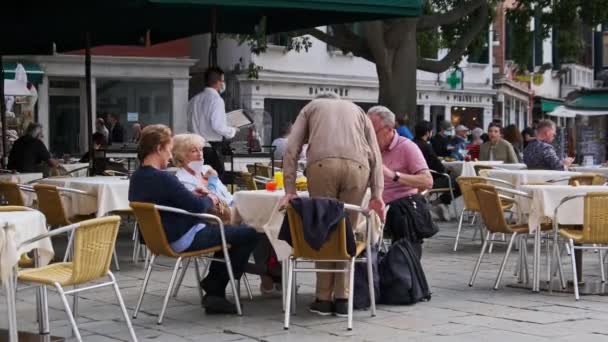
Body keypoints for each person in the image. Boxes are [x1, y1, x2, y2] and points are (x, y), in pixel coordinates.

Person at [129, 124, 258, 314]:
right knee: (249, 234)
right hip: (183, 237)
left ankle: (214, 285)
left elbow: (179, 201)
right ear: (158, 148)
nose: (170, 156)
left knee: (230, 235)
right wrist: (209, 197)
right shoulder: (165, 179)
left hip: (159, 239)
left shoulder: (137, 177)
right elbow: (198, 207)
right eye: (168, 150)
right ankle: (215, 289)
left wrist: (198, 197)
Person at [280, 93, 384, 317]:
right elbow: (375, 153)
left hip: (321, 164)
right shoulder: (358, 110)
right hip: (359, 167)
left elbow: (292, 148)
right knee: (347, 233)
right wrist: (377, 194)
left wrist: (290, 188)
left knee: (324, 228)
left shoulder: (310, 107)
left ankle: (323, 299)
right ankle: (343, 298)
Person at [368, 107, 433, 253]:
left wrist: (393, 175)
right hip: (371, 206)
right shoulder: (367, 148)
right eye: (366, 131)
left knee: (402, 214)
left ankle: (403, 265)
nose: (368, 137)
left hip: (398, 206)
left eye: (372, 132)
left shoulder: (407, 147)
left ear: (389, 129)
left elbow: (427, 181)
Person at [188, 67, 239, 180]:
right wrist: (232, 130)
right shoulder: (216, 100)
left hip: (194, 146)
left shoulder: (194, 100)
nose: (223, 84)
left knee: (198, 180)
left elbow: (189, 123)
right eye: (222, 81)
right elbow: (218, 126)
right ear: (218, 82)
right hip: (211, 148)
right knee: (215, 182)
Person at [413, 120, 461, 221]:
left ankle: (440, 204)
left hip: (413, 178)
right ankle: (437, 203)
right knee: (461, 182)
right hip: (429, 179)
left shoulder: (411, 144)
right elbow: (439, 168)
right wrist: (448, 172)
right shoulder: (426, 146)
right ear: (427, 133)